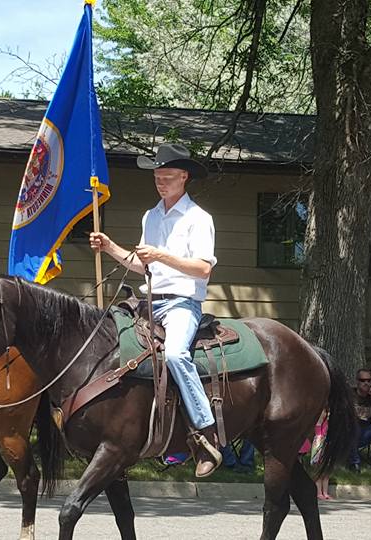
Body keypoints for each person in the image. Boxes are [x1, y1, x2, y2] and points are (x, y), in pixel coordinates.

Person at [89, 143, 221, 477]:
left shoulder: (198, 218)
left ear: (184, 177)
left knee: (176, 355)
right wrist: (110, 247)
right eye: (157, 177)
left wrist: (160, 255)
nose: (161, 182)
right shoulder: (151, 216)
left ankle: (206, 433)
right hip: (149, 302)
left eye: (167, 177)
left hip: (181, 303)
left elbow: (203, 269)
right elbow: (141, 264)